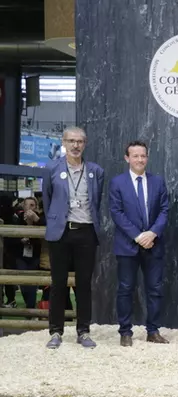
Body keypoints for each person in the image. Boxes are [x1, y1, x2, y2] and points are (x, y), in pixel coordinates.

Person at [43, 126, 104, 349]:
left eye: (79, 141)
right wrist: (55, 223)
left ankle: (83, 331)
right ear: (64, 143)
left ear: (85, 144)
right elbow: (48, 202)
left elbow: (96, 202)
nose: (75, 145)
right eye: (71, 141)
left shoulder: (95, 171)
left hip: (86, 231)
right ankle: (56, 331)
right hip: (61, 232)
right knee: (58, 284)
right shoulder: (51, 168)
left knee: (84, 284)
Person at [109, 140, 170, 347]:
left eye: (143, 156)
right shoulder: (117, 183)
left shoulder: (158, 182)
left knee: (154, 289)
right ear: (127, 158)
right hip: (128, 245)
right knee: (125, 289)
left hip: (154, 245)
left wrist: (152, 233)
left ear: (147, 157)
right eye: (135, 156)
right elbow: (116, 213)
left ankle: (152, 331)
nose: (140, 159)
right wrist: (138, 236)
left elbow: (164, 210)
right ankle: (125, 332)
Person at [10, 197, 46, 308]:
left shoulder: (40, 219)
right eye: (27, 205)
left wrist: (36, 221)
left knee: (33, 285)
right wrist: (20, 240)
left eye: (32, 205)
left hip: (35, 255)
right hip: (21, 255)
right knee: (23, 283)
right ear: (23, 206)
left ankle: (30, 309)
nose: (30, 208)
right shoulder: (17, 219)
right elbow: (10, 239)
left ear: (36, 207)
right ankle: (29, 306)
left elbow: (44, 236)